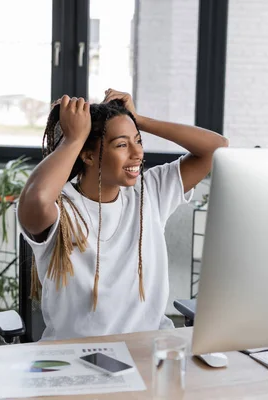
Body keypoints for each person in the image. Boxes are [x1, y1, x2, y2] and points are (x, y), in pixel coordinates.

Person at [17, 89, 228, 341]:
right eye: (121, 145)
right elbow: (37, 199)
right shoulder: (61, 207)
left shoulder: (150, 192)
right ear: (88, 155)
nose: (137, 153)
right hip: (76, 357)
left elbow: (218, 148)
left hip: (148, 351)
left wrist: (138, 119)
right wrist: (72, 140)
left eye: (138, 141)